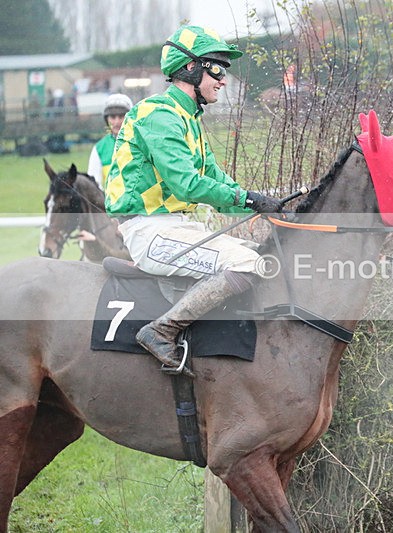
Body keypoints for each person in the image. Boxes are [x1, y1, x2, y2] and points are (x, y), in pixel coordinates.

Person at [105, 25, 282, 377]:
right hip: (149, 233)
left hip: (176, 227)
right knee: (246, 264)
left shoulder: (189, 118)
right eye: (216, 68)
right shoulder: (159, 114)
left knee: (263, 255)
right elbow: (187, 184)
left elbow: (216, 179)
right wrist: (248, 199)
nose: (223, 79)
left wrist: (263, 206)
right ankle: (161, 330)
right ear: (190, 68)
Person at [88, 93, 133, 189]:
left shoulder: (140, 143)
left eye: (121, 116)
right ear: (106, 119)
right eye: (112, 117)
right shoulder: (99, 148)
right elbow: (94, 186)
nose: (117, 122)